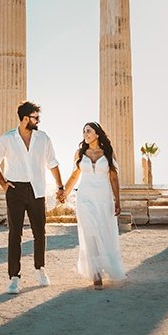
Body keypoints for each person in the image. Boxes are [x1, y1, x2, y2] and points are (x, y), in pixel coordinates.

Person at [0, 100, 65, 295]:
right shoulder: (7, 138)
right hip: (15, 189)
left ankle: (41, 269)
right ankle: (14, 278)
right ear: (25, 119)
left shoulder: (43, 138)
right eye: (35, 117)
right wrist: (4, 184)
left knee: (40, 232)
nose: (38, 121)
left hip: (37, 189)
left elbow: (53, 164)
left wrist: (60, 186)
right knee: (15, 234)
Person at [60, 121, 127, 289]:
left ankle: (107, 266)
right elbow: (74, 176)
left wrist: (117, 200)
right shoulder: (80, 153)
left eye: (88, 131)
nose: (85, 134)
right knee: (90, 233)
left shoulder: (108, 152)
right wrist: (64, 192)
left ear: (97, 134)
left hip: (104, 198)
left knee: (103, 231)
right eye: (83, 131)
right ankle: (96, 274)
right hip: (84, 197)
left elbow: (113, 177)